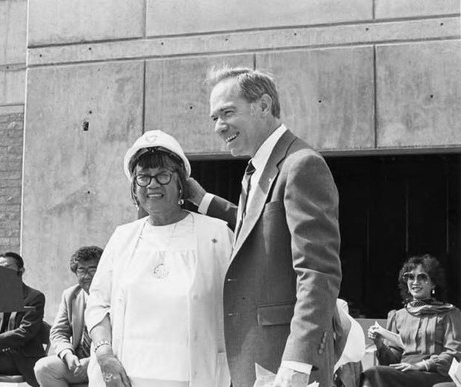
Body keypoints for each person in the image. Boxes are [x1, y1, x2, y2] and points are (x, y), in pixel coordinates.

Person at [186, 66, 342, 387]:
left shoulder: (301, 164)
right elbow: (257, 228)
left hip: (285, 364)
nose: (219, 126)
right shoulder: (256, 169)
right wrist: (204, 201)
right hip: (253, 362)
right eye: (214, 118)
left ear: (264, 106)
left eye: (227, 113)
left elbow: (318, 272)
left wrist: (297, 363)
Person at [85, 130, 233, 387]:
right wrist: (104, 355)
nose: (152, 184)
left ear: (181, 184)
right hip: (128, 379)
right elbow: (98, 305)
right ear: (134, 188)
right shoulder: (123, 237)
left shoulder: (216, 234)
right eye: (143, 177)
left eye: (163, 175)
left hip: (196, 377)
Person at [362, 254, 461, 387]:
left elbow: (454, 353)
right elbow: (391, 362)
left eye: (422, 277)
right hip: (405, 373)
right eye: (410, 277)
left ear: (433, 283)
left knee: (374, 373)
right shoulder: (398, 316)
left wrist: (422, 365)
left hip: (434, 374)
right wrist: (379, 343)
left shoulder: (449, 313)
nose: (415, 282)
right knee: (371, 374)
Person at [34, 245, 103, 386]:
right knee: (44, 367)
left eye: (92, 270)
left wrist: (91, 361)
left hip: (105, 360)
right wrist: (68, 354)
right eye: (81, 270)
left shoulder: (115, 296)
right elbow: (58, 332)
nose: (87, 276)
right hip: (76, 360)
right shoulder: (70, 295)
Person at [0, 252, 46, 387]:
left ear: (20, 271)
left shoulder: (34, 297)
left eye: (8, 268)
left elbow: (25, 332)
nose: (2, 272)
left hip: (23, 358)